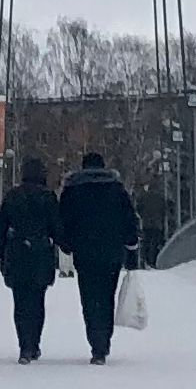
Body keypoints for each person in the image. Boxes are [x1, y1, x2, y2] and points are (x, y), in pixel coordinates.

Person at [56, 147, 140, 363]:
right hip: (111, 252)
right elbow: (129, 218)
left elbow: (62, 220)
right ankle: (104, 342)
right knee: (106, 296)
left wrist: (66, 245)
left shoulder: (73, 190)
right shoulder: (116, 189)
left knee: (89, 297)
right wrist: (131, 244)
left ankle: (95, 341)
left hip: (84, 252)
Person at [0, 155, 62, 361]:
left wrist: (1, 250)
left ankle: (24, 344)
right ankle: (34, 343)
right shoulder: (48, 197)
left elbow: (1, 226)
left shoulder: (13, 196)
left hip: (17, 253)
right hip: (41, 254)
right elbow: (56, 227)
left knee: (20, 302)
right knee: (37, 301)